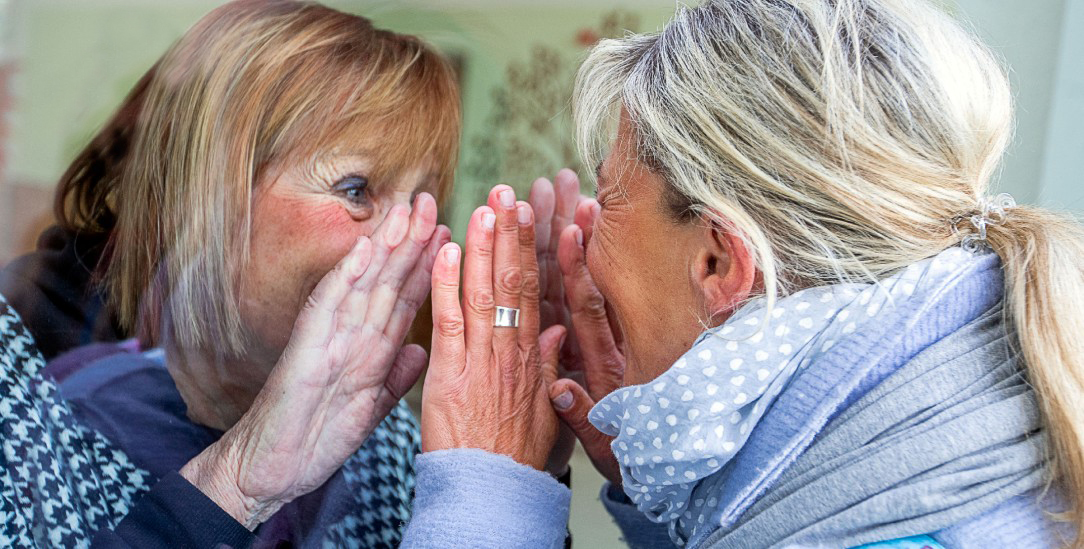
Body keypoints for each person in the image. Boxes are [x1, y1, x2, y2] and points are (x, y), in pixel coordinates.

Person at [408, 0, 1083, 547]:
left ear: (719, 261)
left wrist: (485, 495)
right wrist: (676, 504)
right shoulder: (935, 445)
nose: (581, 241)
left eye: (609, 194)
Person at [14, 1, 461, 546]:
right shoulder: (69, 434)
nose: (407, 237)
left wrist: (522, 470)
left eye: (421, 200)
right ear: (207, 207)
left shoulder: (386, 443)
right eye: (356, 189)